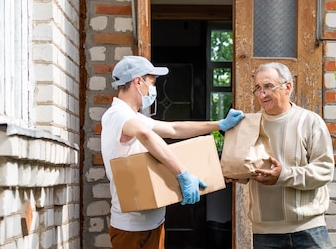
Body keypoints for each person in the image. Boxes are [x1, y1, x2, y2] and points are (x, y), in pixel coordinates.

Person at [101, 55, 245, 249]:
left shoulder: (133, 116)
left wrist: (219, 125)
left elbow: (174, 129)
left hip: (154, 220)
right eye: (152, 83)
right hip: (131, 227)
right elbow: (144, 134)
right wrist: (182, 173)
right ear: (138, 81)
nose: (153, 90)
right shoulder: (117, 115)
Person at [249, 62, 335, 249]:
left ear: (288, 86)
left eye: (268, 86)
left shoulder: (310, 122)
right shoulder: (250, 125)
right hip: (264, 234)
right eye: (257, 88)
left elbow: (325, 171)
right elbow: (244, 167)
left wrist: (283, 175)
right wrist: (234, 172)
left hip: (309, 229)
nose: (261, 94)